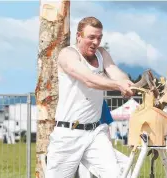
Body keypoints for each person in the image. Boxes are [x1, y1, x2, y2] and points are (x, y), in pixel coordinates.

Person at [45, 16, 134, 178]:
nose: (96, 42)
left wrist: (127, 83)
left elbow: (115, 72)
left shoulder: (101, 54)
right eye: (91, 37)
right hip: (68, 134)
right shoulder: (68, 55)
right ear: (79, 36)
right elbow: (89, 80)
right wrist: (118, 85)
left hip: (95, 133)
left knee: (117, 174)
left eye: (99, 38)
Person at [76, 100, 131, 178]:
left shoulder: (101, 101)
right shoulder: (79, 102)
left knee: (126, 162)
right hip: (81, 143)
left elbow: (107, 124)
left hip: (100, 142)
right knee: (86, 168)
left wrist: (109, 145)